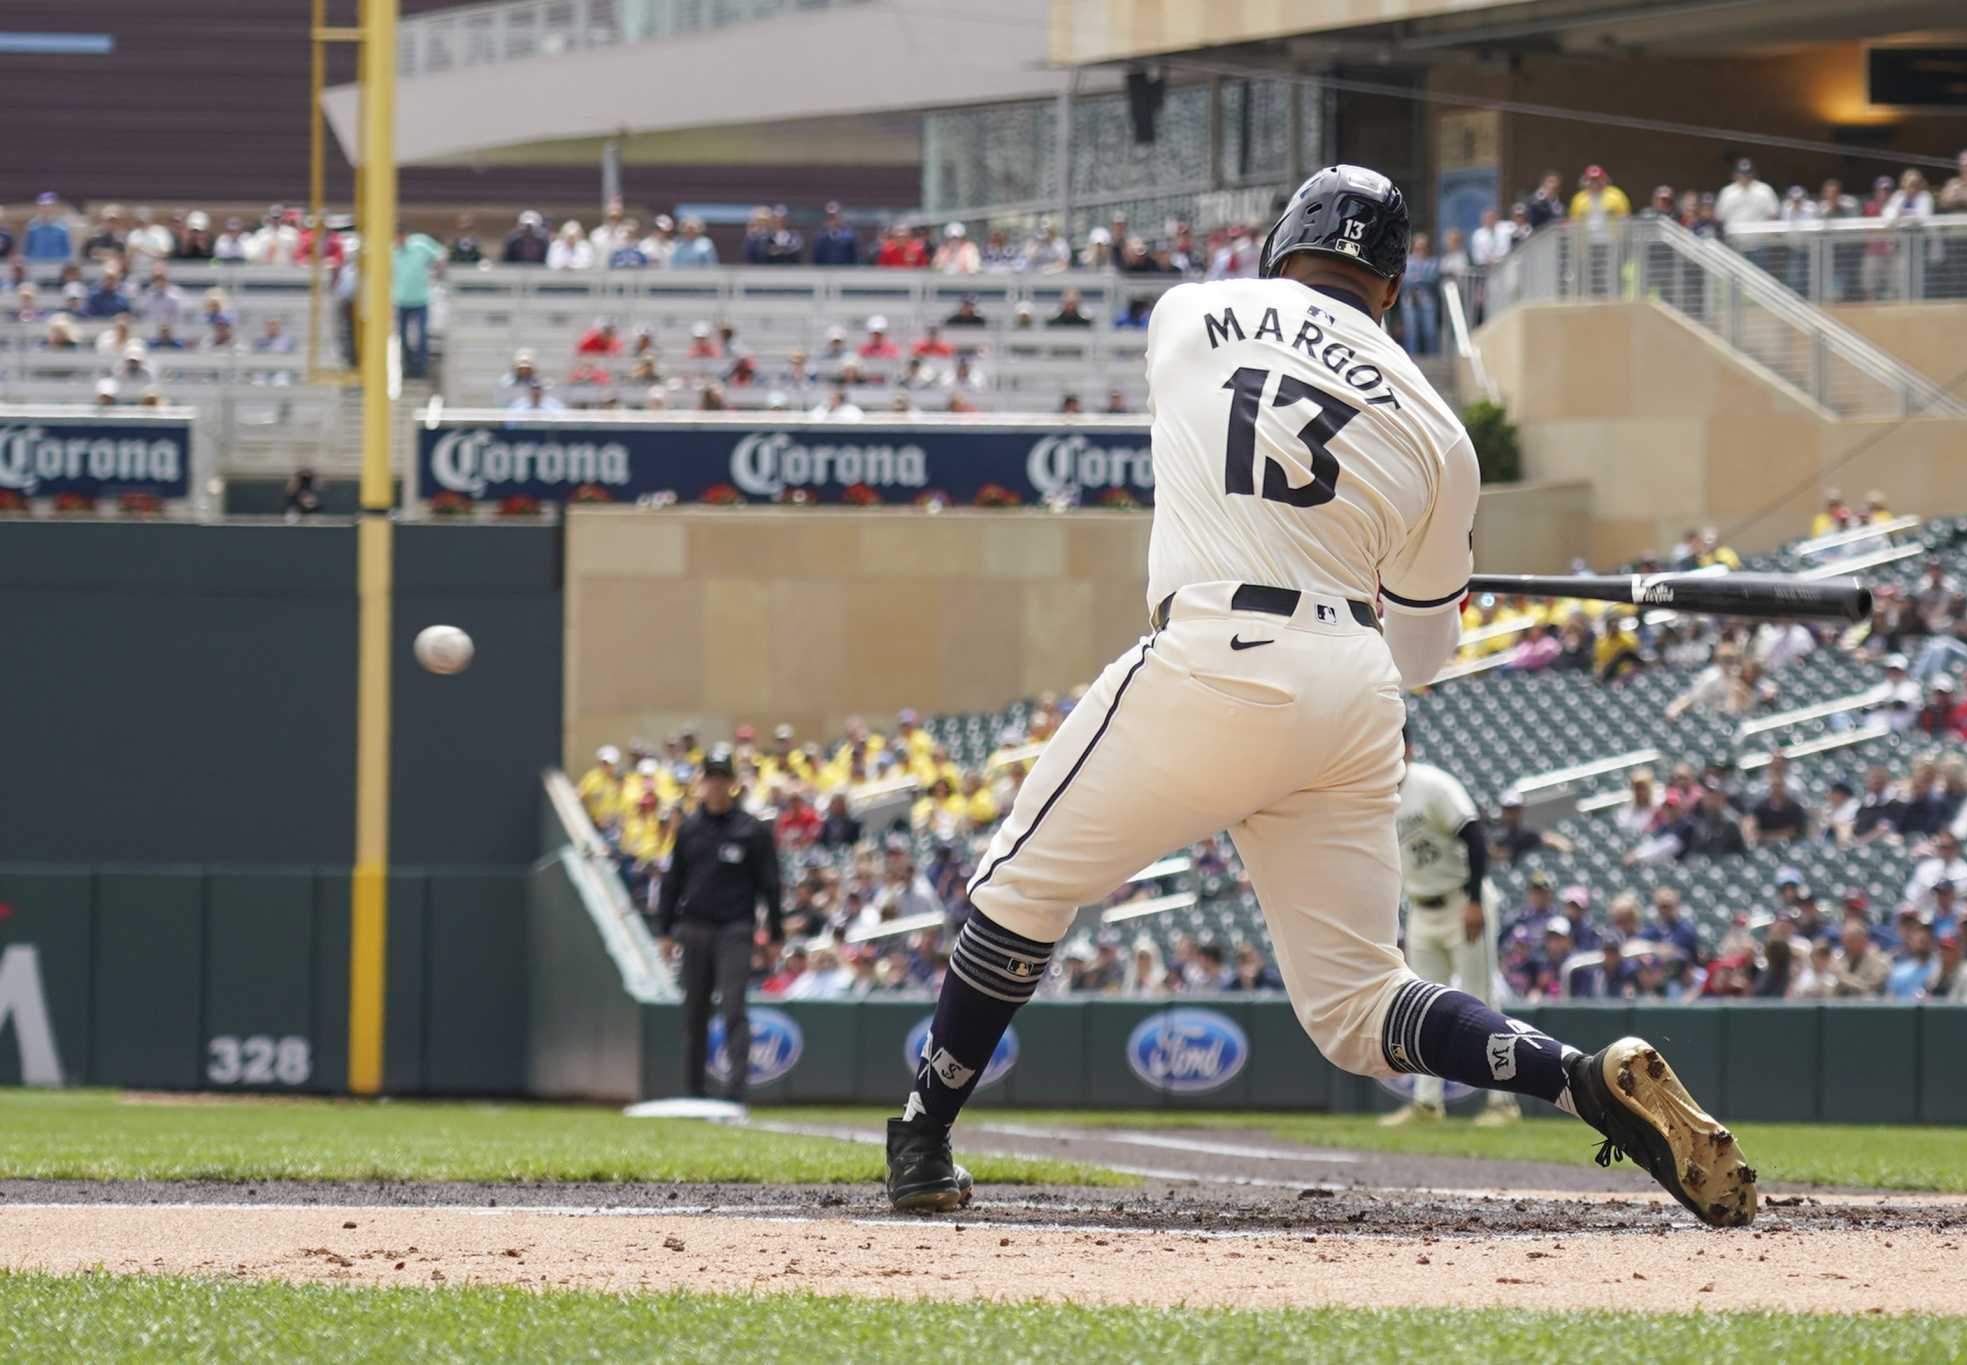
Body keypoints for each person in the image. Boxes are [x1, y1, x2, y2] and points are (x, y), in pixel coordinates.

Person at [882, 163, 1757, 1230]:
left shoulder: (1190, 313)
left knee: (1014, 890)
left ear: (1281, 241)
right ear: (1390, 286)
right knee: (1358, 1005)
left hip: (1214, 651)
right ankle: (1573, 1075)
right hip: (1348, 688)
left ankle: (922, 1139)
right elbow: (1426, 653)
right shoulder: (1440, 431)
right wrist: (1416, 574)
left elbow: (1247, 435)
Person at [1381, 729, 1520, 1128]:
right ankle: (1427, 1104)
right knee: (1424, 1005)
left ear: (1407, 748)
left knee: (1481, 1001)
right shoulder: (1376, 796)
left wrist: (1475, 900)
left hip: (1462, 902)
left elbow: (1476, 839)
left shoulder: (1433, 785)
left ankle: (1503, 1102)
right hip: (1422, 909)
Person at [653, 746, 783, 1104]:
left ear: (732, 784)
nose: (716, 785)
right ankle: (694, 1091)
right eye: (710, 777)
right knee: (694, 1011)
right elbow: (672, 881)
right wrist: (664, 931)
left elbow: (770, 884)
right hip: (694, 927)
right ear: (702, 782)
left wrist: (775, 933)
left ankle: (734, 1092)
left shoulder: (751, 830)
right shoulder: (689, 828)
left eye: (722, 778)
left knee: (734, 1007)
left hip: (735, 928)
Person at [391, 225, 446, 380]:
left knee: (421, 335)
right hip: (401, 300)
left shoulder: (420, 244)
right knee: (402, 336)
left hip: (420, 299)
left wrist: (436, 272)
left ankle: (421, 368)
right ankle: (407, 367)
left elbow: (440, 254)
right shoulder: (391, 252)